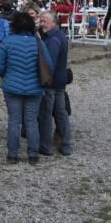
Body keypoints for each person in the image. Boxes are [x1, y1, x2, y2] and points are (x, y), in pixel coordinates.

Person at [0, 11, 52, 164]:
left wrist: (8, 75)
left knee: (14, 121)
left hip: (12, 87)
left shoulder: (8, 42)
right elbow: (49, 65)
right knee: (32, 121)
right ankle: (33, 155)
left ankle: (12, 154)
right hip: (34, 88)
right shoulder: (38, 43)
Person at [37, 11, 73, 157]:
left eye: (44, 20)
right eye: (41, 20)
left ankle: (46, 146)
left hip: (51, 83)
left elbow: (48, 63)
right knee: (61, 113)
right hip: (59, 81)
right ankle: (65, 145)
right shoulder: (58, 36)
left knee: (47, 114)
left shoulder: (53, 39)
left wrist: (43, 80)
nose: (41, 23)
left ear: (53, 22)